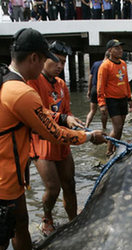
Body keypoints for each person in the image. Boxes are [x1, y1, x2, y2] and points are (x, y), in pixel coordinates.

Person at [0, 28, 106, 250]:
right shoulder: (22, 91)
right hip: (5, 178)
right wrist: (89, 137)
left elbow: (41, 115)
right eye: (49, 59)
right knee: (5, 236)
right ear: (35, 58)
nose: (57, 65)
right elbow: (53, 133)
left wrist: (62, 117)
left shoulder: (7, 80)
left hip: (11, 174)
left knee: (19, 224)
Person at [27, 40, 82, 237]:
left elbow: (67, 111)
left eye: (64, 63)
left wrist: (74, 123)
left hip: (61, 139)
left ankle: (73, 219)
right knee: (53, 187)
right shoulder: (32, 82)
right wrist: (65, 118)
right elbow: (38, 113)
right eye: (57, 61)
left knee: (70, 183)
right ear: (43, 60)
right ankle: (47, 218)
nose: (60, 66)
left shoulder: (61, 84)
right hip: (42, 142)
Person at [97, 39, 132, 156]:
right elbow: (100, 86)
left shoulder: (123, 64)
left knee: (121, 127)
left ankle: (115, 148)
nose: (120, 50)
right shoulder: (105, 66)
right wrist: (102, 104)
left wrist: (129, 99)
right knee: (117, 127)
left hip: (123, 99)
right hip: (112, 100)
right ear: (110, 50)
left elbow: (126, 83)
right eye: (117, 48)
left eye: (121, 48)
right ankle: (108, 150)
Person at [86, 54, 108, 129]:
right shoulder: (108, 65)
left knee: (92, 111)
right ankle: (104, 128)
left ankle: (86, 126)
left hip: (94, 89)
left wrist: (89, 90)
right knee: (104, 111)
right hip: (103, 90)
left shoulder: (95, 64)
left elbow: (90, 77)